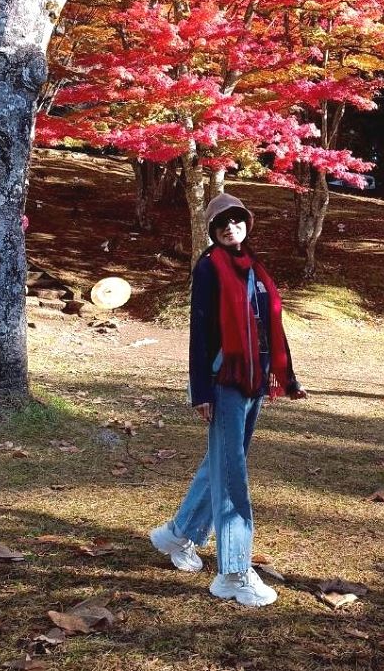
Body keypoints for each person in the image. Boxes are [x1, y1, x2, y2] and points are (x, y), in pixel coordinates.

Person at [149, 192, 307, 607]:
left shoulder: (254, 267)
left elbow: (272, 325)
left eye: (236, 221)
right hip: (225, 381)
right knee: (231, 471)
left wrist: (288, 378)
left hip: (255, 380)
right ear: (213, 231)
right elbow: (200, 333)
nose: (229, 228)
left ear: (246, 224)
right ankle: (234, 572)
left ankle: (177, 534)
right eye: (221, 224)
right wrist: (200, 391)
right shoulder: (209, 268)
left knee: (221, 462)